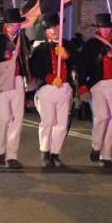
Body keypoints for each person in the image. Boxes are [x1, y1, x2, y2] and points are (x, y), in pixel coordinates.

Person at [0, 8, 30, 169]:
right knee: (4, 118)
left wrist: (29, 78)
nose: (14, 27)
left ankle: (12, 155)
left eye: (16, 24)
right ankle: (1, 149)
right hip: (1, 81)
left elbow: (25, 61)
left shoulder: (23, 39)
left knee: (17, 118)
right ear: (5, 25)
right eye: (11, 24)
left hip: (17, 80)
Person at [29, 12, 78, 168]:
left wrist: (67, 56)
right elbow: (34, 68)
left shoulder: (68, 45)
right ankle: (45, 151)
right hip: (47, 90)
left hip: (64, 88)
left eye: (57, 27)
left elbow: (78, 63)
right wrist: (49, 77)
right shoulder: (41, 48)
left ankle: (55, 153)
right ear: (46, 31)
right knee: (48, 122)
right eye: (51, 29)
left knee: (61, 124)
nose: (54, 31)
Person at [77, 13, 112, 168]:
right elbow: (82, 66)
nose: (105, 30)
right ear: (97, 29)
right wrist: (83, 85)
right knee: (102, 116)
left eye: (107, 28)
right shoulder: (91, 45)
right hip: (97, 84)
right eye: (102, 27)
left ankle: (106, 155)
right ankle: (96, 146)